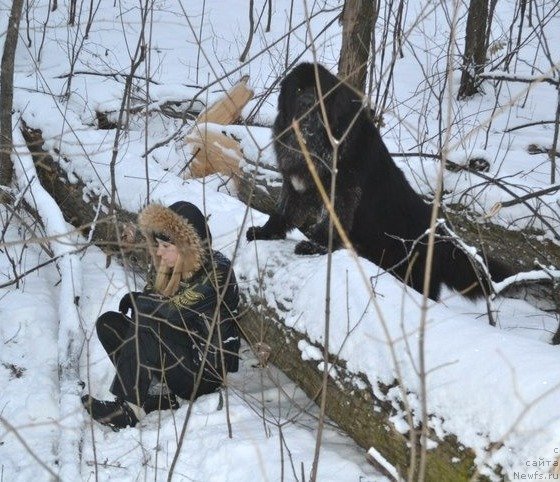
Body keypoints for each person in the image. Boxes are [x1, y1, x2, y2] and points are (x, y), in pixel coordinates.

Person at [82, 201, 240, 429]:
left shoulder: (218, 271)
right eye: (158, 245)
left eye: (166, 246)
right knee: (109, 324)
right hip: (179, 356)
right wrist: (141, 300)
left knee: (148, 320)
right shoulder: (172, 269)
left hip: (203, 373)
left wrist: (142, 302)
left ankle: (129, 409)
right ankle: (156, 393)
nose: (159, 252)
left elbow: (171, 311)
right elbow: (153, 308)